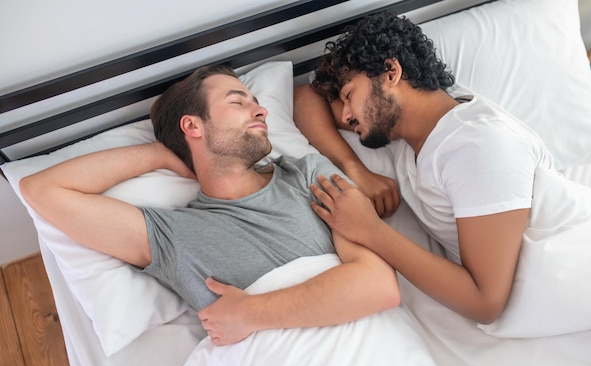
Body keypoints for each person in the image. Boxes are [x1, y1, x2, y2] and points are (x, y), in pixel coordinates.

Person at [19, 64, 400, 346]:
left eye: (256, 102)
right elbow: (41, 190)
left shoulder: (308, 175)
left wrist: (251, 312)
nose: (261, 111)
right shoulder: (173, 237)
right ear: (192, 127)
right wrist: (159, 155)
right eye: (239, 102)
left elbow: (379, 285)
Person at [293, 11, 555, 324]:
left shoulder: (477, 144)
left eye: (349, 95)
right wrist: (356, 169)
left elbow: (485, 303)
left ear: (391, 72)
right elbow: (305, 97)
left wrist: (370, 230)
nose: (346, 114)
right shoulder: (411, 132)